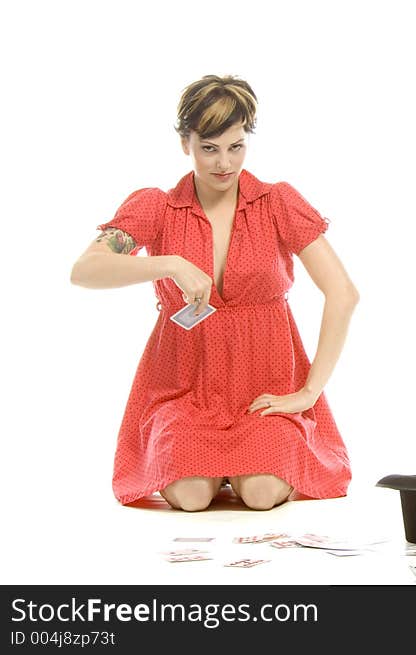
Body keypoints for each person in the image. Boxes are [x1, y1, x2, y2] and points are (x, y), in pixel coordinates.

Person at [70, 74, 359, 511]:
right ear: (185, 143)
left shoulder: (277, 202)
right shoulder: (157, 206)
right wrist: (169, 263)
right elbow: (85, 270)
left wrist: (308, 393)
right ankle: (215, 469)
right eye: (209, 148)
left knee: (261, 494)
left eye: (236, 146)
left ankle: (243, 468)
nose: (224, 163)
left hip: (265, 387)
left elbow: (342, 293)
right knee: (189, 497)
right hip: (183, 391)